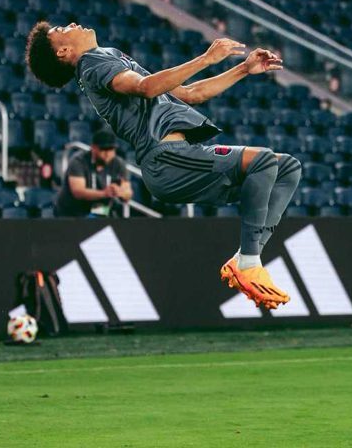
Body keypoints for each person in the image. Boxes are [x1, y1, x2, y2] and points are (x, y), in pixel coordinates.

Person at [26, 22, 301, 310]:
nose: (70, 24)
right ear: (64, 51)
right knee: (264, 161)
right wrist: (206, 58)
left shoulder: (106, 56)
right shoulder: (92, 64)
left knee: (287, 168)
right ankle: (248, 261)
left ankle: (248, 258)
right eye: (60, 30)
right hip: (166, 159)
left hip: (181, 155)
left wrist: (243, 69)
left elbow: (191, 93)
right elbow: (146, 88)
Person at [55, 129, 132, 217]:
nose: (107, 154)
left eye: (111, 149)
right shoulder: (79, 161)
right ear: (93, 148)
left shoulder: (118, 164)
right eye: (103, 149)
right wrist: (105, 193)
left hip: (98, 210)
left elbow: (127, 193)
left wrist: (119, 192)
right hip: (71, 212)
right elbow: (78, 192)